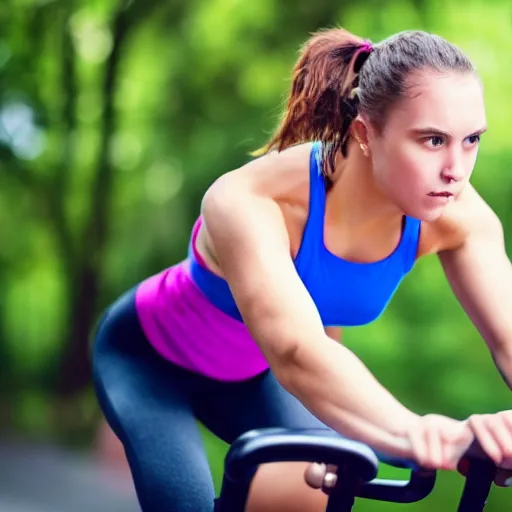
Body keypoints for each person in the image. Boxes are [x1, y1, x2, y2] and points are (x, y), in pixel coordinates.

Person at [91, 26, 512, 512]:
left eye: (472, 140)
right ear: (364, 133)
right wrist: (420, 433)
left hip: (254, 380)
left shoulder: (458, 215)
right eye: (433, 140)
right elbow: (296, 350)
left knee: (322, 490)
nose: (456, 169)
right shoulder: (250, 199)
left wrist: (468, 440)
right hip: (150, 363)